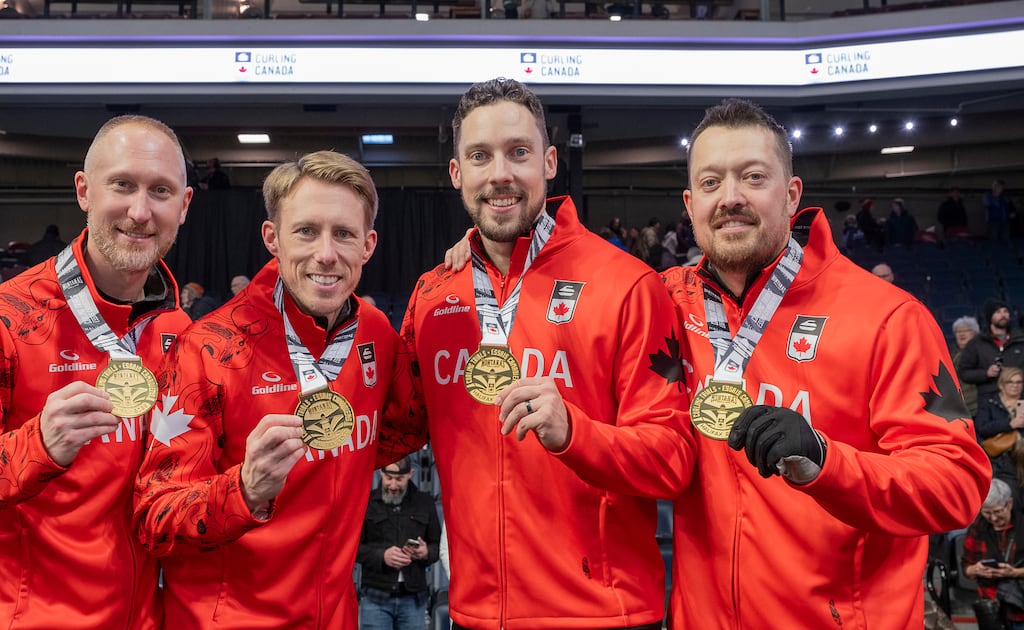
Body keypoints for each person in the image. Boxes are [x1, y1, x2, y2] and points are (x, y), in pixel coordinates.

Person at [660, 98, 988, 629]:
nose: (731, 197)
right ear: (690, 202)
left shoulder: (889, 318)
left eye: (753, 176)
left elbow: (958, 485)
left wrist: (826, 461)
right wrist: (474, 257)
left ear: (791, 196)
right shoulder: (666, 305)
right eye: (711, 182)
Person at [407, 78, 694, 629]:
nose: (500, 174)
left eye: (519, 153)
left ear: (551, 161)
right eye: (479, 156)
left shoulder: (629, 285)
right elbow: (398, 423)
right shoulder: (433, 294)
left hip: (600, 615)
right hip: (476, 613)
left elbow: (673, 458)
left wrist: (575, 434)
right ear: (456, 173)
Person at [0, 114, 194, 630]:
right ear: (84, 191)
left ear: (184, 207)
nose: (140, 211)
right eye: (122, 185)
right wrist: (38, 447)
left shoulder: (176, 329)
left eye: (160, 191)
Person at [133, 150, 420, 629]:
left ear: (368, 245)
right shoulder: (207, 349)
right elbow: (154, 516)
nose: (325, 254)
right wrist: (243, 490)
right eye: (306, 231)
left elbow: (406, 429)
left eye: (344, 234)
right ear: (273, 238)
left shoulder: (375, 335)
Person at [356, 457, 441, 630]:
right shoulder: (367, 502)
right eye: (389, 478)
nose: (393, 485)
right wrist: (382, 556)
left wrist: (426, 552)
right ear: (380, 472)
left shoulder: (425, 502)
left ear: (411, 474)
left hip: (413, 599)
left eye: (399, 479)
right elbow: (354, 549)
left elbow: (439, 546)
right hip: (375, 597)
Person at [964, 478, 1024, 629]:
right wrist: (975, 569)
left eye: (998, 511)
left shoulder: (1021, 525)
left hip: (1020, 605)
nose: (993, 518)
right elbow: (966, 567)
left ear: (1009, 503)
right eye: (987, 513)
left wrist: (1014, 573)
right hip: (991, 607)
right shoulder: (977, 528)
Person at [959, 299, 1024, 403]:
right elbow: (964, 373)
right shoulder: (976, 343)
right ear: (990, 316)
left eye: (1005, 311)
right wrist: (986, 373)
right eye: (998, 312)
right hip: (989, 402)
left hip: (1020, 399)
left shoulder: (1020, 340)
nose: (1003, 315)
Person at [975, 367, 1024, 487]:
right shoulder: (989, 402)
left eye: (1019, 382)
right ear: (1001, 385)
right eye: (1010, 382)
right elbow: (982, 428)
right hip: (997, 456)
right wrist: (1009, 424)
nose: (1015, 385)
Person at [954, 315, 982, 417]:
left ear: (975, 333)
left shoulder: (981, 353)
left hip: (976, 407)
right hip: (957, 407)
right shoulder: (951, 355)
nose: (961, 334)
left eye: (966, 330)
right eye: (958, 331)